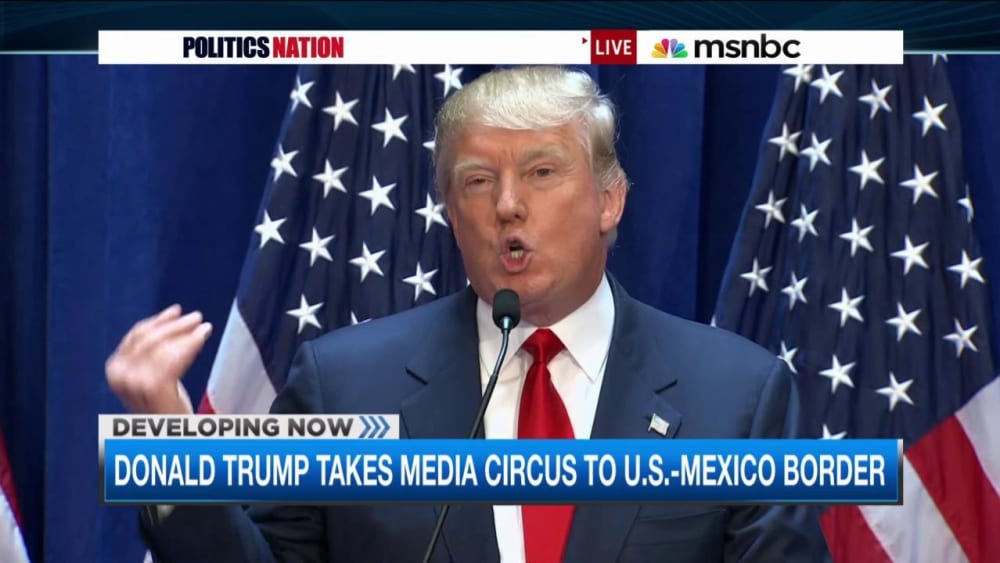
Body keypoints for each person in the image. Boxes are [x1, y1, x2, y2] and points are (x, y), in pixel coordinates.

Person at [106, 66, 829, 562]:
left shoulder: (735, 397)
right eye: (479, 181)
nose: (508, 204)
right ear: (451, 213)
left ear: (609, 200)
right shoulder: (345, 385)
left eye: (541, 172)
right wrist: (170, 438)